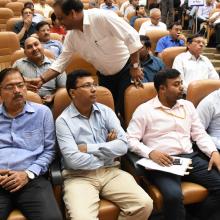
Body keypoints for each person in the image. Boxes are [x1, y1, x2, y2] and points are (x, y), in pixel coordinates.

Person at [56, 70, 153, 220]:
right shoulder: (63, 121)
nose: (94, 89)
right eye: (87, 85)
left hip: (110, 172)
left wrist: (88, 148)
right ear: (73, 92)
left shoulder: (106, 112)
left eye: (94, 84)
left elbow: (123, 145)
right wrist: (108, 152)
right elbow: (72, 160)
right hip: (79, 176)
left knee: (144, 204)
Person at [127, 68, 220, 220]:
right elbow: (130, 139)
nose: (181, 87)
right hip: (164, 162)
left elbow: (199, 134)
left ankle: (197, 215)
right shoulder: (144, 110)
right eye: (176, 84)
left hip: (190, 157)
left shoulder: (187, 106)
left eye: (181, 83)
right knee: (173, 197)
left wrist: (213, 152)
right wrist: (150, 153)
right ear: (162, 88)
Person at [28, 0, 144, 117]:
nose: (58, 22)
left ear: (72, 13)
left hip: (127, 71)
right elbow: (61, 62)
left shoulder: (102, 17)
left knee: (127, 112)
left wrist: (135, 66)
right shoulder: (71, 37)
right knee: (109, 114)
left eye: (61, 18)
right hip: (104, 77)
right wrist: (41, 80)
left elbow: (132, 37)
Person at [0, 68, 63, 220]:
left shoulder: (42, 113)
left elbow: (49, 150)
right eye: (10, 87)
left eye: (21, 85)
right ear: (0, 92)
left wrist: (27, 174)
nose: (17, 90)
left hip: (31, 179)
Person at [13, 37, 66, 106]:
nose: (34, 49)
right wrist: (22, 86)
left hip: (52, 104)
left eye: (36, 44)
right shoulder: (18, 64)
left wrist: (53, 96)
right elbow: (8, 84)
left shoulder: (55, 65)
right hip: (25, 104)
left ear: (42, 46)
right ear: (25, 52)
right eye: (29, 47)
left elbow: (63, 87)